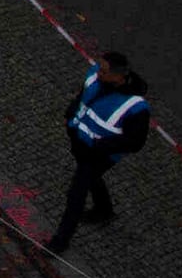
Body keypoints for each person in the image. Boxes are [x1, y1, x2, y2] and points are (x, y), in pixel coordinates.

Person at [47, 47, 153, 251]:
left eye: (104, 71)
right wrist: (71, 113)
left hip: (98, 155)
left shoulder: (136, 108)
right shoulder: (97, 76)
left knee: (76, 194)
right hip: (80, 143)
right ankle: (104, 209)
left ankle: (60, 241)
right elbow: (84, 95)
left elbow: (135, 142)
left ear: (119, 77)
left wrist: (99, 146)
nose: (98, 72)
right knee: (92, 179)